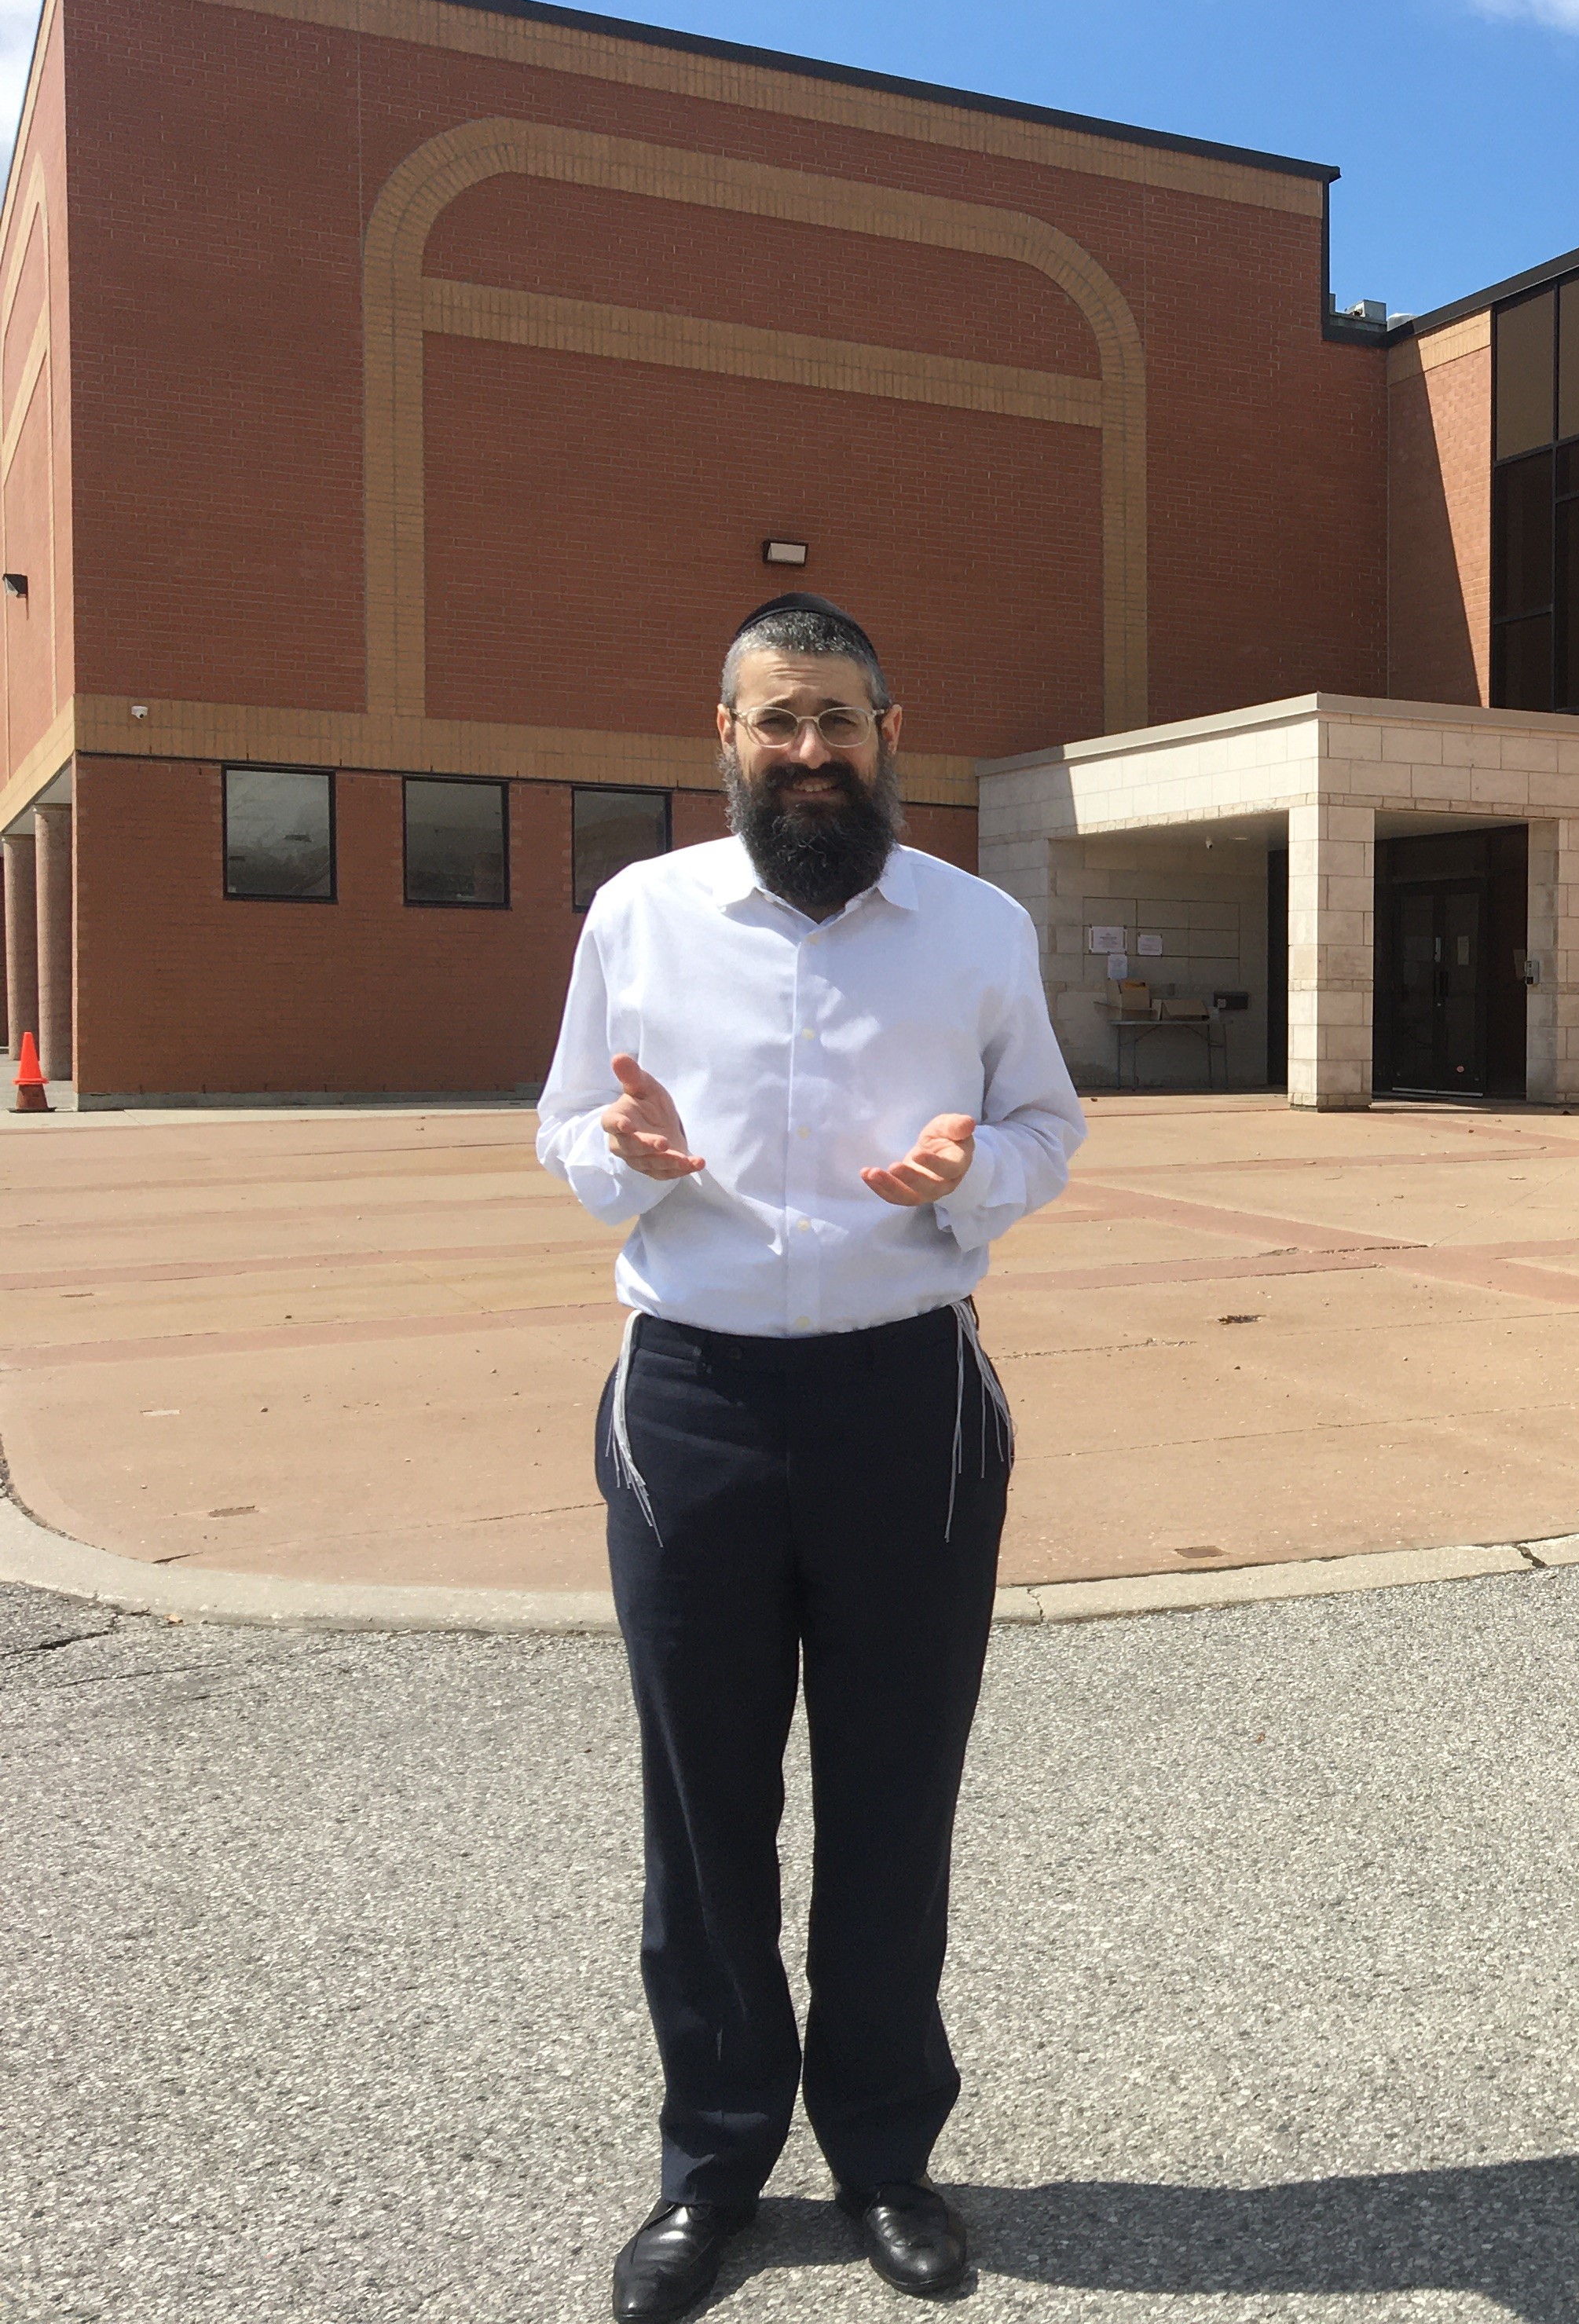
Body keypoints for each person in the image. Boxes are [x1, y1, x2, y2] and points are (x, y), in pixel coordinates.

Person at [536, 595, 1086, 2319]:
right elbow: (560, 1127)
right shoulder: (639, 915)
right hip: (688, 1403)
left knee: (893, 1793)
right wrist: (623, 1154)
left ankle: (884, 2157)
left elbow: (1050, 1124)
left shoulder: (976, 926)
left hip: (906, 1404)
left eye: (836, 719)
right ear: (723, 739)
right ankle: (710, 2165)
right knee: (704, 1808)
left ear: (888, 730)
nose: (809, 751)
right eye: (776, 721)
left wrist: (971, 1173)